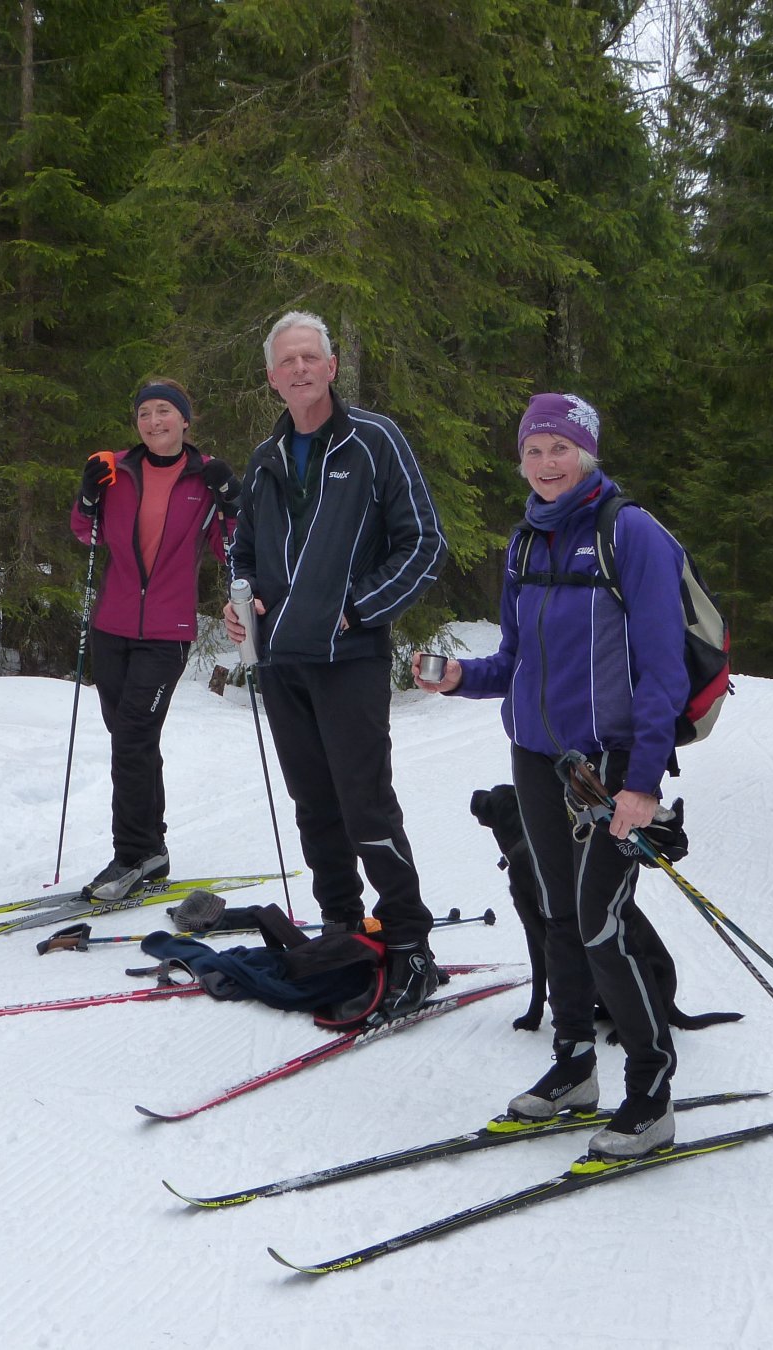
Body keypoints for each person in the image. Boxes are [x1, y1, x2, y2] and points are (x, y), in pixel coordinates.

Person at [412, 391, 689, 1158]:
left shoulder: (629, 534)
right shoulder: (525, 541)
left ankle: (652, 1090)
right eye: (533, 450)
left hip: (605, 767)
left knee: (601, 921)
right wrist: (459, 677)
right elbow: (514, 661)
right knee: (557, 912)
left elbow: (663, 669)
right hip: (534, 757)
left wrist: (641, 784)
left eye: (559, 449)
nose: (544, 464)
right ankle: (573, 1067)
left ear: (587, 453)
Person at [222, 310, 447, 1019]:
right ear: (271, 377)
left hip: (348, 657)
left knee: (365, 805)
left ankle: (411, 948)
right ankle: (343, 931)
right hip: (282, 661)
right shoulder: (263, 459)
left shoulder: (373, 440)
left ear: (331, 364)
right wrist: (238, 603)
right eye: (285, 362)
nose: (297, 370)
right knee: (314, 807)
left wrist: (356, 609)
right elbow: (244, 556)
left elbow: (423, 544)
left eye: (308, 358)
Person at [70, 380, 240, 900]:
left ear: (185, 420)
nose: (154, 421)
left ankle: (130, 856)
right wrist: (87, 494)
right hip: (111, 626)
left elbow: (230, 549)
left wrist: (232, 498)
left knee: (133, 738)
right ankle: (154, 850)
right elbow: (86, 534)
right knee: (133, 740)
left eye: (165, 411)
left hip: (167, 632)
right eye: (145, 412)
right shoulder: (116, 469)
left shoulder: (204, 478)